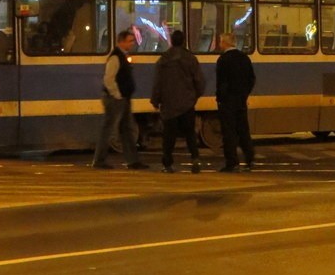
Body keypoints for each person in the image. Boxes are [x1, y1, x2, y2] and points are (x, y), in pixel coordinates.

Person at [92, 29, 148, 170]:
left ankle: (133, 161)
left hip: (122, 98)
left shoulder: (121, 56)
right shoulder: (116, 57)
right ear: (121, 42)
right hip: (116, 99)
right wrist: (117, 95)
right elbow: (108, 79)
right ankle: (99, 161)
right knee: (110, 129)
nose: (132, 43)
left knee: (126, 129)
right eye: (130, 41)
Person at [150, 29, 205, 174]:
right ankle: (195, 159)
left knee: (169, 136)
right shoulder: (190, 58)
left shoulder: (164, 59)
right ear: (183, 41)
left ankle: (167, 164)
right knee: (190, 134)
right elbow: (199, 81)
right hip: (187, 103)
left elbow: (157, 82)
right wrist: (194, 96)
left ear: (171, 41)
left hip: (169, 105)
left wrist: (155, 100)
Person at [216, 32, 256, 172]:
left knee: (229, 133)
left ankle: (232, 162)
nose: (220, 44)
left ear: (225, 43)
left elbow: (221, 82)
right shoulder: (244, 58)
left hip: (227, 101)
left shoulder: (223, 60)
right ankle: (250, 159)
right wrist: (244, 94)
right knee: (243, 130)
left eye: (221, 41)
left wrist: (220, 98)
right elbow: (251, 79)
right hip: (241, 100)